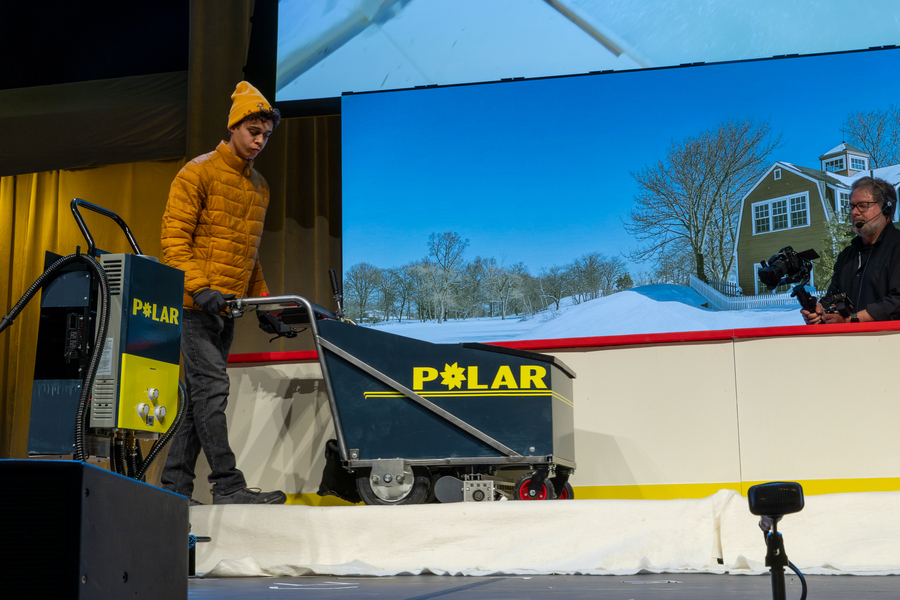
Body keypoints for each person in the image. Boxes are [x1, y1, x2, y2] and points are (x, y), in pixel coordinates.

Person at [159, 81, 286, 505]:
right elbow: (174, 242)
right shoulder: (197, 172)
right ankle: (228, 486)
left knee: (200, 400)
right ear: (233, 126)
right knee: (212, 391)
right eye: (253, 130)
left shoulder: (259, 187)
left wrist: (263, 305)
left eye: (265, 134)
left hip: (226, 309)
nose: (259, 140)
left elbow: (247, 254)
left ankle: (173, 490)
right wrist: (199, 288)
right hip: (194, 307)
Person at [802, 176, 900, 324]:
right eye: (852, 206)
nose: (855, 212)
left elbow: (897, 301)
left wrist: (851, 320)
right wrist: (820, 312)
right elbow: (832, 298)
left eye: (863, 205)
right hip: (849, 343)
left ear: (886, 208)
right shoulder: (847, 256)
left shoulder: (897, 246)